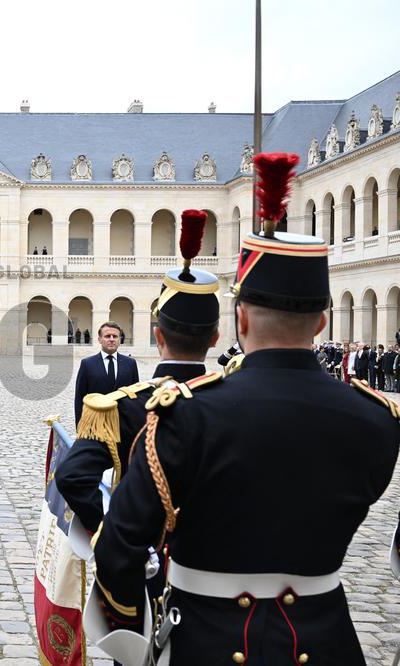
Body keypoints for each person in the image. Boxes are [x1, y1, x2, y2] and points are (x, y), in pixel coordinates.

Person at [90, 153, 400, 664]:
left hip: (204, 641)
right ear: (322, 322)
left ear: (240, 320)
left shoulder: (185, 414)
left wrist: (132, 630)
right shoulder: (376, 418)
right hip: (326, 643)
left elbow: (119, 549)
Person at [57, 209, 220, 550]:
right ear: (216, 338)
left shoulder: (126, 407)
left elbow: (70, 476)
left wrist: (110, 534)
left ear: (158, 336)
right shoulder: (239, 401)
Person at [73, 322, 140, 425]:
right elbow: (79, 398)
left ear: (119, 339)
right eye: (107, 336)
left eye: (115, 336)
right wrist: (80, 426)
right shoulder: (87, 364)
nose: (112, 339)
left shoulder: (130, 363)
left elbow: (135, 396)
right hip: (96, 423)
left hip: (123, 423)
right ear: (100, 339)